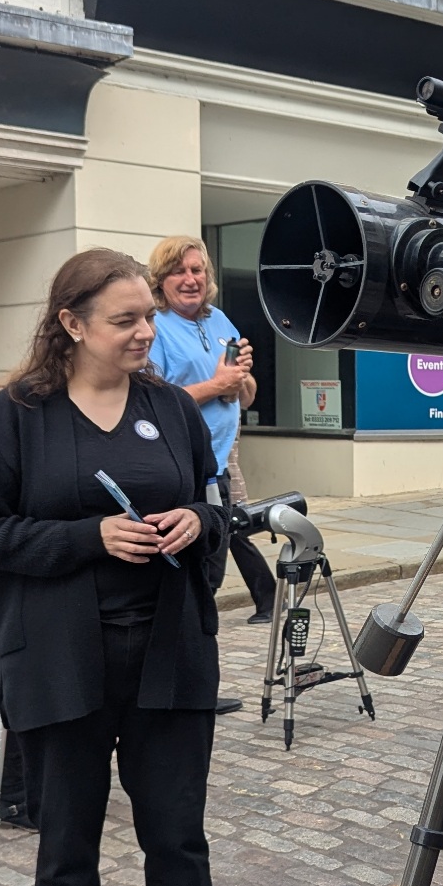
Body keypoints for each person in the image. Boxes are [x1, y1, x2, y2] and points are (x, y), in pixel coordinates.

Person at [0, 248, 228, 886]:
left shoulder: (171, 407)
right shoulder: (16, 414)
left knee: (177, 841)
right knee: (66, 853)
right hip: (61, 663)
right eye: (125, 319)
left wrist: (197, 520)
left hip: (169, 657)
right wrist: (89, 537)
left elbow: (216, 507)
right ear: (71, 323)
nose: (146, 331)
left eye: (149, 316)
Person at [143, 235, 275, 626]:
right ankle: (194, 629)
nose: (190, 279)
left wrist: (240, 378)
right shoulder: (155, 328)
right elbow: (154, 402)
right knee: (210, 550)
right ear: (160, 280)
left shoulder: (218, 319)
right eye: (177, 272)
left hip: (222, 456)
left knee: (225, 535)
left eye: (196, 270)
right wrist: (218, 384)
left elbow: (246, 396)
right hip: (183, 461)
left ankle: (210, 622)